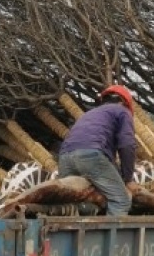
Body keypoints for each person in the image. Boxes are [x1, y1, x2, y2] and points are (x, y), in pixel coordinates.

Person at [58, 84, 136, 215]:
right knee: (121, 201)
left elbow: (107, 158)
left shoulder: (89, 114)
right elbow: (127, 146)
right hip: (90, 156)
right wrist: (127, 180)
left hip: (65, 157)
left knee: (71, 203)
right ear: (124, 103)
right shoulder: (122, 111)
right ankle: (110, 235)